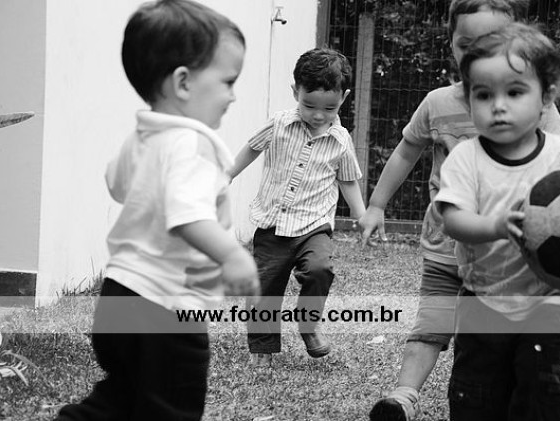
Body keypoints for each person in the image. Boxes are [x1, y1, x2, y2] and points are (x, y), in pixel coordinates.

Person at [363, 1, 560, 420]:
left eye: (492, 40)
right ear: (452, 44)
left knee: (516, 348)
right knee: (432, 325)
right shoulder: (438, 103)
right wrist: (376, 204)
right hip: (446, 244)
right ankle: (403, 396)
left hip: (514, 257)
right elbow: (406, 151)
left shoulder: (539, 108)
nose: (478, 51)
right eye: (466, 43)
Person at [55, 1, 259, 420]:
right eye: (228, 81)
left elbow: (116, 184)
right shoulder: (191, 145)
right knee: (171, 408)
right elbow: (186, 215)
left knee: (120, 398)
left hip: (118, 296)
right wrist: (233, 255)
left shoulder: (143, 137)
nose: (233, 95)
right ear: (183, 82)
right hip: (165, 307)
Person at [435, 22, 560, 420]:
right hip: (483, 298)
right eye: (483, 94)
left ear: (546, 97)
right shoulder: (466, 159)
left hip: (547, 300)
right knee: (476, 393)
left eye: (514, 92)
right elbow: (453, 220)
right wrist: (496, 226)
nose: (498, 106)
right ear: (468, 98)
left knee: (539, 387)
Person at [229, 47, 365, 367]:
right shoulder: (279, 124)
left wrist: (362, 216)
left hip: (313, 225)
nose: (318, 115)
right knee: (264, 287)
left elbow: (347, 181)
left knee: (320, 269)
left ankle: (308, 324)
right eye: (309, 105)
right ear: (295, 92)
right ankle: (262, 349)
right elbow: (252, 148)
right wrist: (228, 174)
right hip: (273, 223)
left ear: (343, 98)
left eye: (329, 108)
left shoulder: (340, 140)